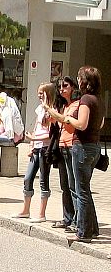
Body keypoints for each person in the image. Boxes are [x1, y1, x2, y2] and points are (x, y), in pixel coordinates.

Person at [47, 66, 103, 243]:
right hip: (94, 146)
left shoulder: (86, 99)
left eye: (79, 78)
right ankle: (92, 229)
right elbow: (100, 124)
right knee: (85, 188)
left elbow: (82, 124)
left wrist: (67, 119)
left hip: (82, 147)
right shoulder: (98, 100)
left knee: (81, 190)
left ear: (84, 81)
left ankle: (84, 231)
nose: (78, 81)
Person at [12, 83, 56, 222]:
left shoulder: (53, 110)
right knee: (27, 178)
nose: (39, 95)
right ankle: (26, 210)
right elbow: (37, 128)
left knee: (43, 180)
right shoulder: (40, 109)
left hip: (45, 148)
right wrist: (31, 144)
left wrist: (34, 138)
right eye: (38, 93)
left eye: (41, 93)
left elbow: (50, 135)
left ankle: (42, 214)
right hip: (36, 147)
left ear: (48, 94)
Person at [51, 76, 79, 230]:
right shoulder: (64, 105)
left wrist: (52, 112)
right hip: (62, 147)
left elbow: (66, 121)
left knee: (73, 185)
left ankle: (76, 220)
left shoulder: (77, 104)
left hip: (72, 146)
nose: (62, 89)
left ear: (73, 87)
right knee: (64, 185)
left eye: (65, 86)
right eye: (60, 87)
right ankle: (67, 217)